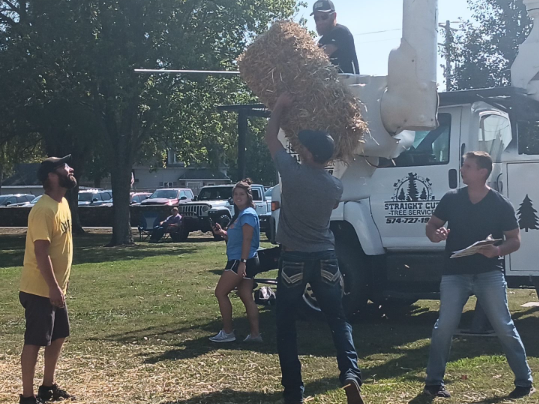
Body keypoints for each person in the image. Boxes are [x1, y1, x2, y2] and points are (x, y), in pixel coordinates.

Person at [265, 93, 364, 404]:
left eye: (302, 146)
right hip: (326, 258)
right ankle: (350, 374)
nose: (298, 148)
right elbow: (332, 202)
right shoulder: (335, 186)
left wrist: (280, 107)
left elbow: (270, 137)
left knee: (285, 326)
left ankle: (294, 392)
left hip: (294, 257)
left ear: (307, 153)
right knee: (338, 319)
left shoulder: (291, 175)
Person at [423, 151, 534, 399]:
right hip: (455, 273)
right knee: (444, 327)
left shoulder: (499, 203)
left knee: (504, 327)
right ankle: (433, 383)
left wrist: (497, 250)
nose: (462, 169)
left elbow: (515, 240)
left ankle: (524, 382)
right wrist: (436, 234)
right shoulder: (451, 198)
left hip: (488, 274)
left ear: (482, 172)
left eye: (467, 166)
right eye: (464, 165)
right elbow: (431, 226)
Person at [19, 155, 77, 404]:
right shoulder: (42, 209)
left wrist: (60, 286)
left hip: (55, 288)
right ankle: (28, 396)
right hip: (39, 289)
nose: (71, 169)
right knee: (35, 340)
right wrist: (54, 287)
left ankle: (47, 385)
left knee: (59, 335)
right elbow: (41, 252)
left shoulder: (62, 203)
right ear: (52, 176)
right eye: (65, 167)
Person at [209, 179, 262, 343]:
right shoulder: (239, 215)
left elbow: (247, 240)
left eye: (241, 194)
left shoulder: (247, 214)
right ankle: (255, 335)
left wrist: (242, 262)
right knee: (245, 294)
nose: (238, 197)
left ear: (248, 196)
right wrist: (223, 233)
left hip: (240, 260)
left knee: (220, 293)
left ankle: (228, 332)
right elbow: (237, 238)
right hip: (246, 259)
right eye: (235, 194)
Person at [312, 0, 360, 75]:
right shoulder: (322, 40)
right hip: (331, 84)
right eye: (316, 18)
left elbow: (322, 54)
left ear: (334, 16)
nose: (320, 22)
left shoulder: (341, 31)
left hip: (349, 83)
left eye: (324, 17)